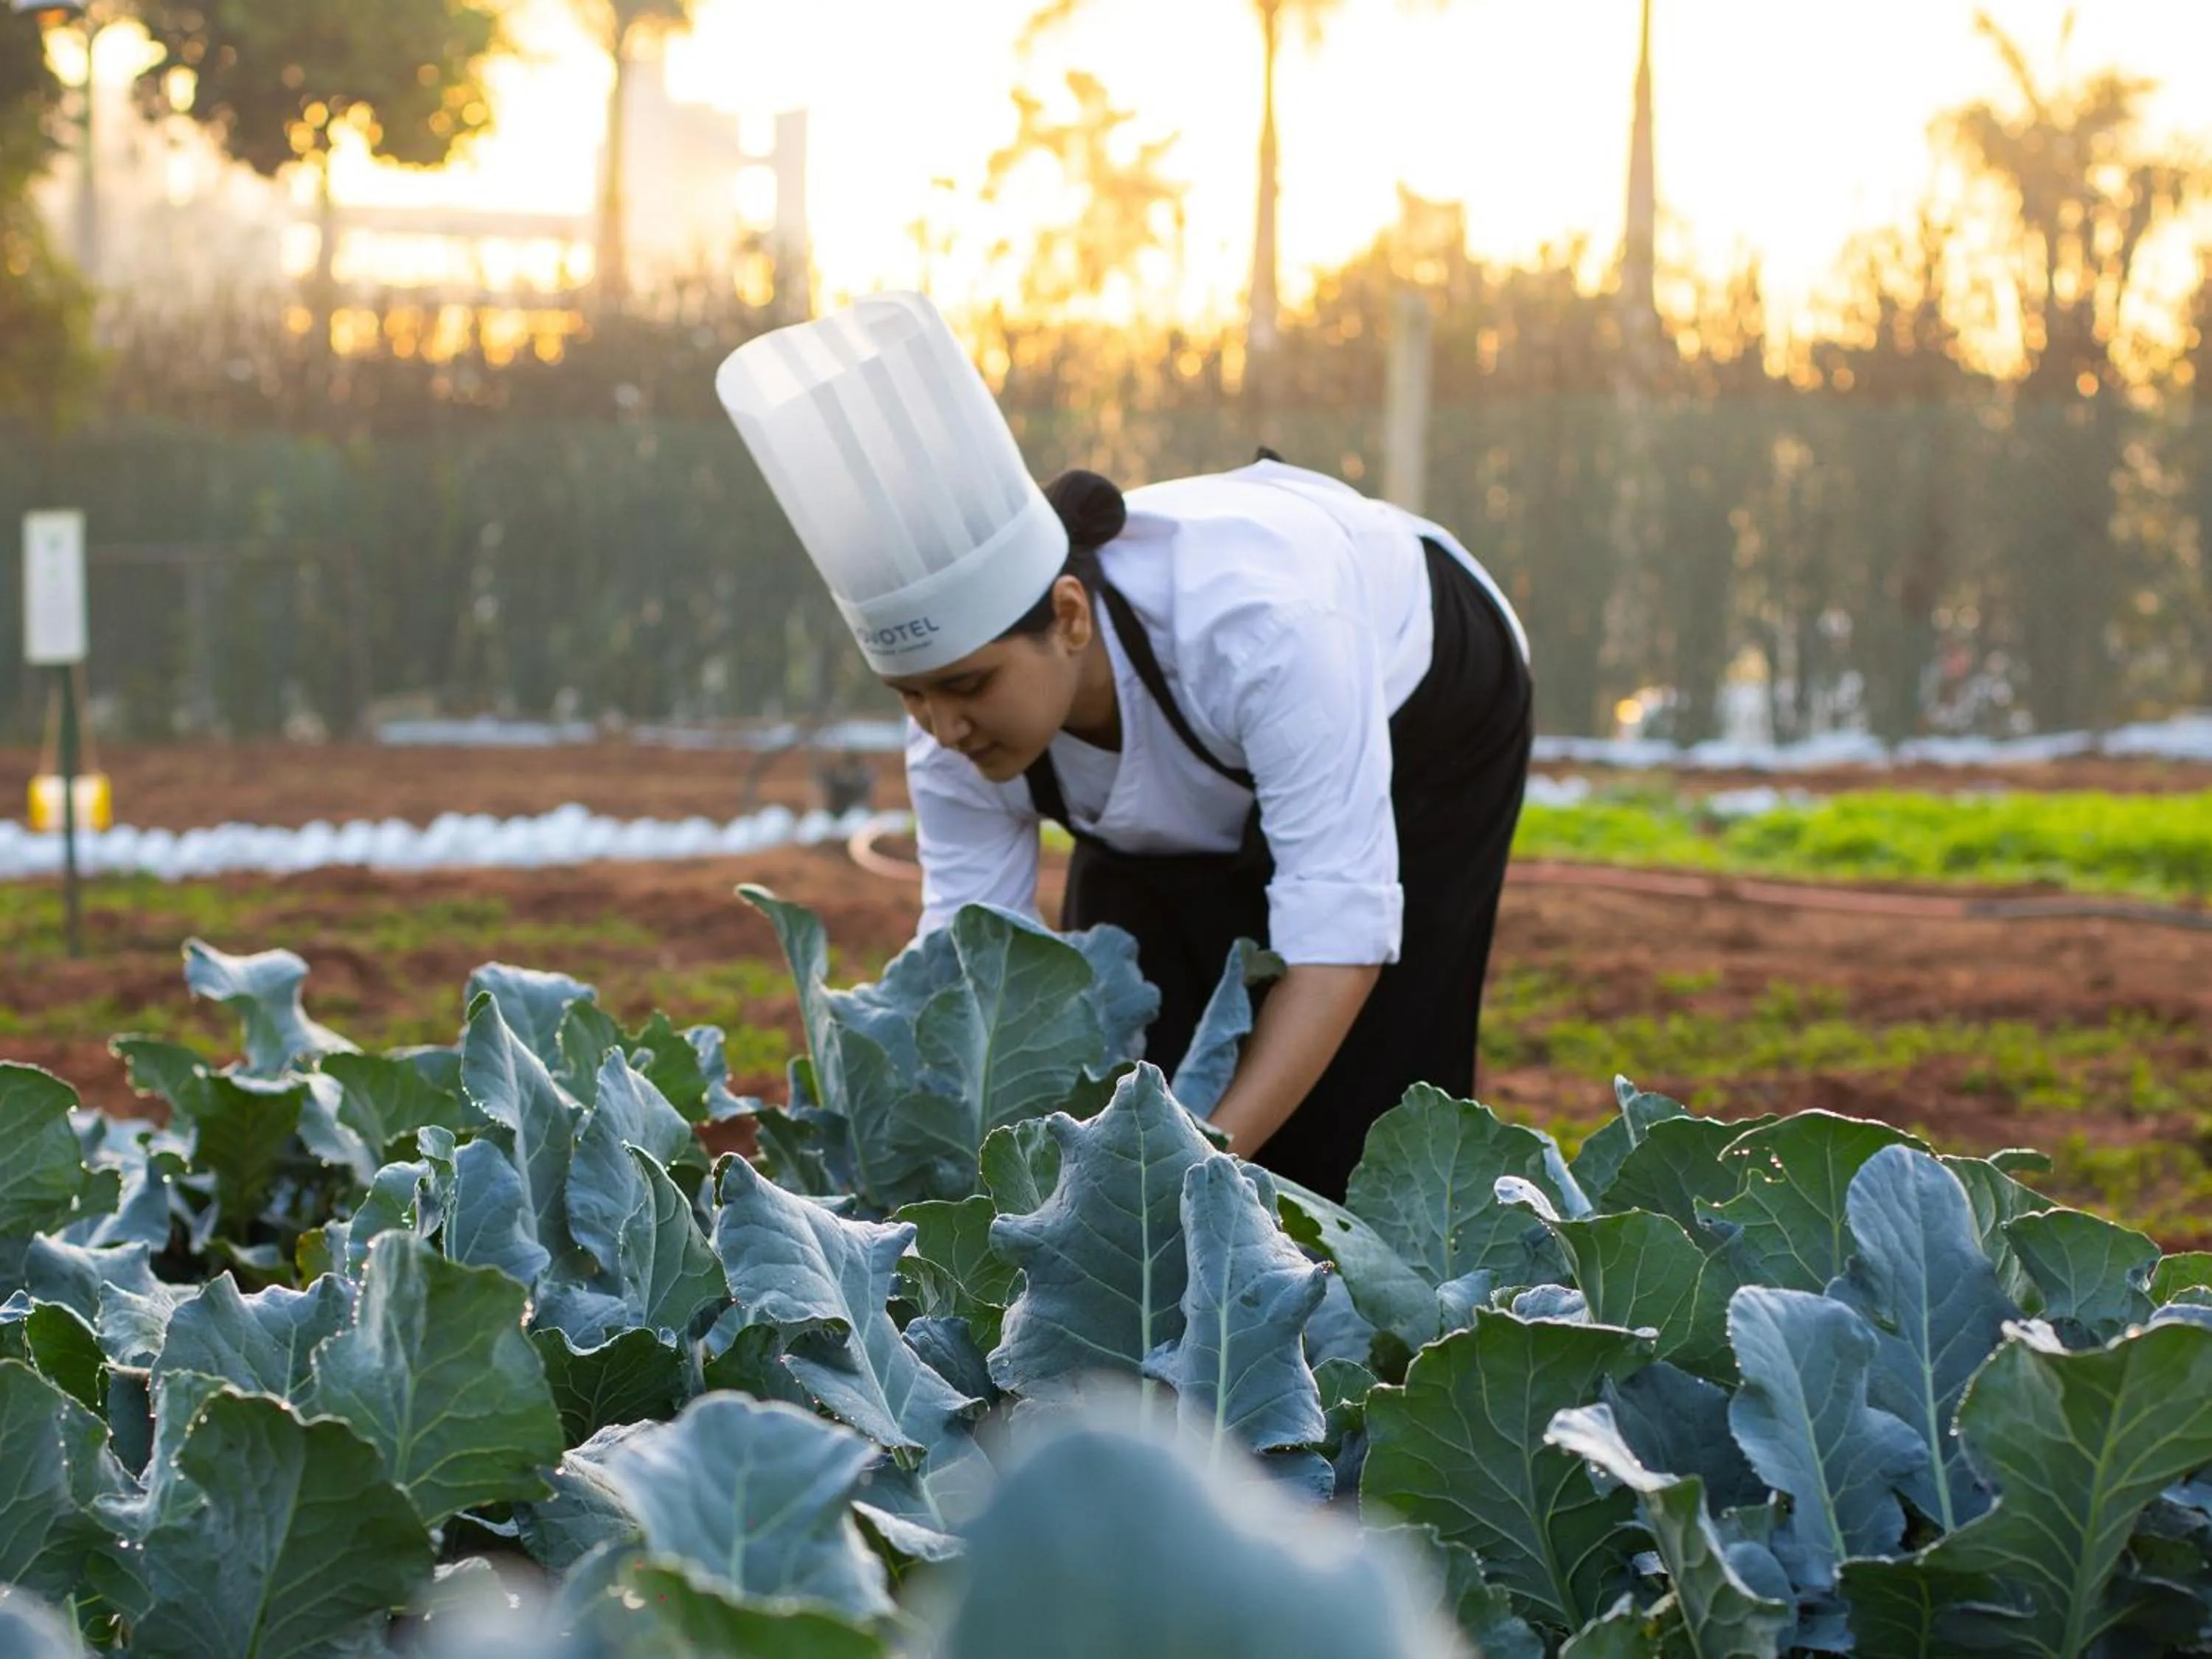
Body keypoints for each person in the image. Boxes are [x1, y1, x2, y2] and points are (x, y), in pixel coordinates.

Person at [718, 292, 1531, 1202]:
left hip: (1428, 703)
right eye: (910, 695)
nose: (942, 729)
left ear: (1068, 618)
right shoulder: (955, 729)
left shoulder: (1262, 631)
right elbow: (972, 968)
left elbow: (1339, 940)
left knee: (1357, 1121)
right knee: (1124, 1043)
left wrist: (1184, 1177)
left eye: (969, 686)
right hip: (1206, 740)